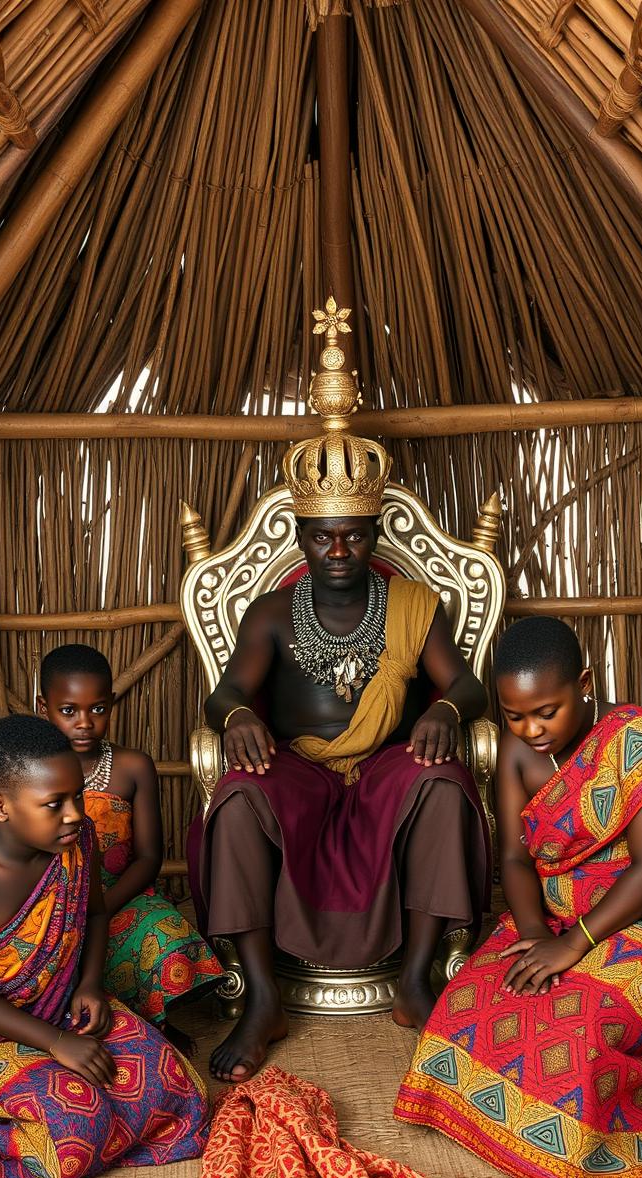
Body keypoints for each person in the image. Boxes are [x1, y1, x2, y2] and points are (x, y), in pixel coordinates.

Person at [188, 313, 491, 1083]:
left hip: (388, 765)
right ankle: (262, 997)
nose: (339, 552)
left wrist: (447, 710)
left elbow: (465, 680)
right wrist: (241, 715)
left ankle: (417, 978)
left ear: (373, 528)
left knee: (446, 781)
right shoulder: (269, 613)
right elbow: (222, 691)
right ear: (298, 534)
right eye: (322, 537)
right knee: (235, 794)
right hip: (303, 768)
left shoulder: (414, 603)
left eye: (354, 535)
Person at [396, 617, 642, 1178]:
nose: (531, 729)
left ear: (584, 682)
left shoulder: (638, 742)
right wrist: (533, 933)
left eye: (546, 712)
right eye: (514, 715)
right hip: (559, 913)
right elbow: (514, 858)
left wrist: (572, 944)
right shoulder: (516, 751)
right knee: (464, 1012)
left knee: (577, 1034)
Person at [0, 715, 209, 1178]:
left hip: (56, 1008)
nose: (74, 813)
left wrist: (90, 984)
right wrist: (55, 1043)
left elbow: (94, 915)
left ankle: (3, 1101)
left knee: (174, 1089)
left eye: (76, 796)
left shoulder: (77, 838)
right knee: (74, 1129)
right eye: (54, 803)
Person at [38, 644, 222, 1036]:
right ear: (44, 708)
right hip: (52, 901)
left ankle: (149, 1018)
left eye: (97, 709)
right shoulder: (30, 772)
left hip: (120, 897)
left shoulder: (132, 766)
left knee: (168, 936)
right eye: (68, 711)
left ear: (112, 704)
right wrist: (69, 911)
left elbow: (148, 857)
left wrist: (101, 905)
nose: (84, 722)